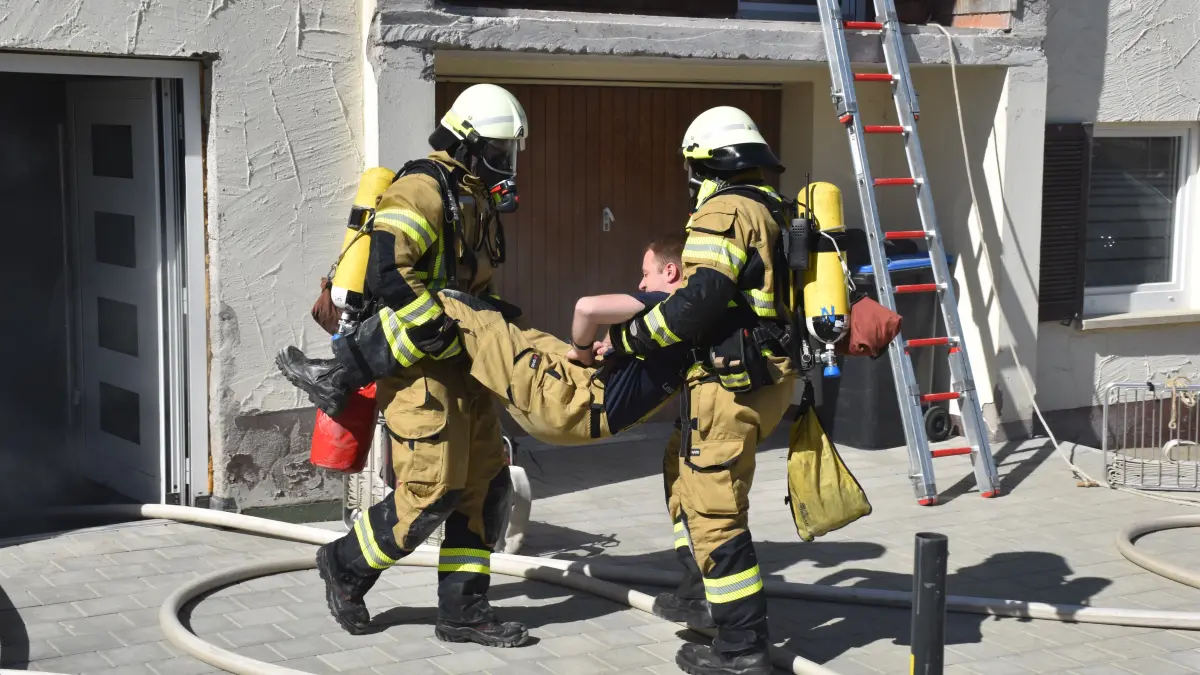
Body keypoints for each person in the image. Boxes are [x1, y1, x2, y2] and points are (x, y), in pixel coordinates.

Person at [276, 83, 533, 647]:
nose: (504, 163)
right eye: (496, 149)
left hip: (468, 368)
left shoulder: (473, 194)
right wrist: (434, 329)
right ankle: (345, 565)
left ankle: (463, 612)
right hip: (421, 371)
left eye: (508, 152)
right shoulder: (420, 190)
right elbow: (390, 273)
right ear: (466, 143)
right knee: (431, 491)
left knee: (486, 488)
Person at [604, 106, 800, 675]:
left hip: (731, 386)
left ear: (707, 165)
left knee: (715, 509)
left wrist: (628, 342)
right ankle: (700, 593)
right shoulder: (772, 206)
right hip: (762, 380)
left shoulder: (726, 209)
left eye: (692, 170)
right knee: (682, 471)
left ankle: (741, 649)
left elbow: (699, 301)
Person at [278, 234, 692, 448]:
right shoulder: (695, 328)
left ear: (670, 273)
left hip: (572, 404)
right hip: (586, 412)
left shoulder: (668, 303)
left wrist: (583, 349)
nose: (641, 282)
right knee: (514, 329)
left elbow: (587, 309)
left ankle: (338, 375)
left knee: (447, 307)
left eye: (647, 272)